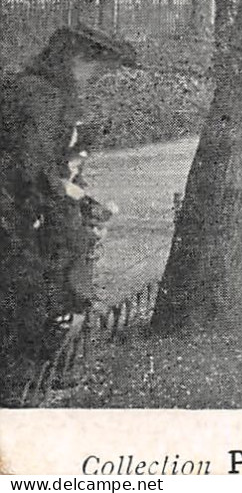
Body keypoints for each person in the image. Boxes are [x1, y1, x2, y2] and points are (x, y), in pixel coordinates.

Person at [0, 25, 136, 373]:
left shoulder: (41, 92)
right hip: (16, 216)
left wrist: (78, 197)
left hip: (25, 212)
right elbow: (32, 169)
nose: (95, 81)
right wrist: (70, 204)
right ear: (74, 60)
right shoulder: (41, 97)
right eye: (96, 70)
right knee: (29, 295)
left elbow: (54, 165)